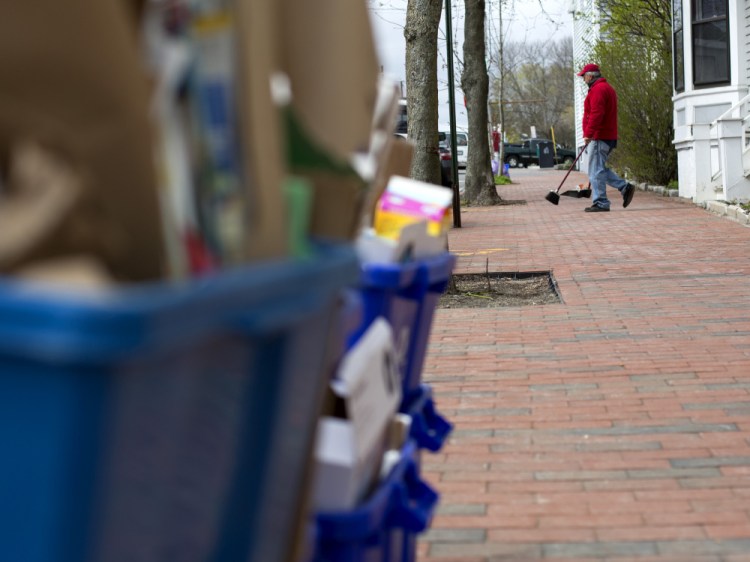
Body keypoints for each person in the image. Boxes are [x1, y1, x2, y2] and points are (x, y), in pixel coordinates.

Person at [578, 63, 635, 212]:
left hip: (599, 136)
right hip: (606, 136)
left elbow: (597, 114)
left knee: (595, 170)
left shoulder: (598, 90)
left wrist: (589, 134)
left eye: (584, 76)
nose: (583, 79)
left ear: (590, 76)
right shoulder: (606, 88)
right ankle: (624, 187)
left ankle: (601, 202)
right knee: (598, 169)